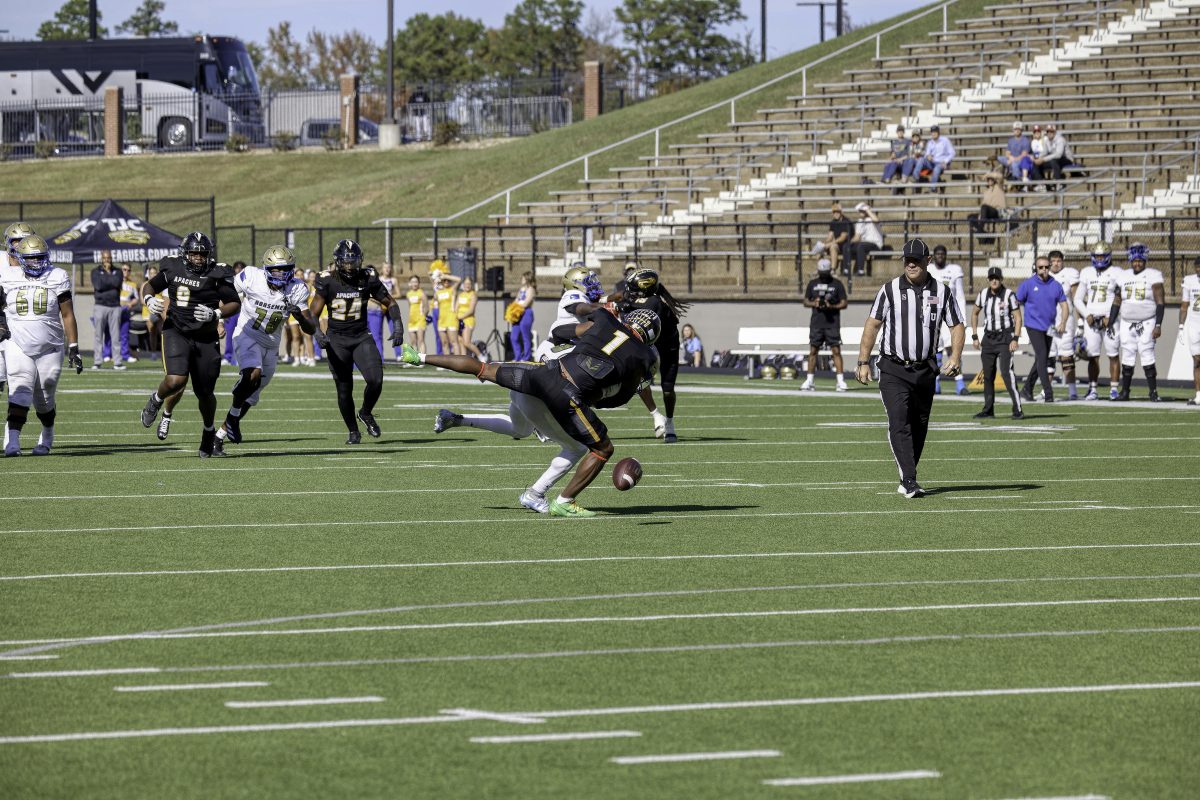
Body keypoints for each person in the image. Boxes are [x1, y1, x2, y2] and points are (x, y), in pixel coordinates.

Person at [402, 306, 660, 517]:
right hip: (567, 394)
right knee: (600, 449)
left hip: (543, 373)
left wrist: (600, 310)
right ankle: (562, 500)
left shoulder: (605, 319)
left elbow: (568, 322)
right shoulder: (644, 356)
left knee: (483, 368)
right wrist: (597, 396)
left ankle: (419, 357)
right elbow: (618, 399)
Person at [855, 238, 964, 498]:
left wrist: (956, 356)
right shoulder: (889, 290)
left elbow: (957, 325)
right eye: (908, 260)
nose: (911, 264)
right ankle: (909, 479)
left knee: (919, 425)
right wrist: (863, 361)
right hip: (893, 367)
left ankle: (907, 475)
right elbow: (873, 324)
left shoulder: (942, 291)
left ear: (928, 261)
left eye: (917, 260)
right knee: (899, 421)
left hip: (925, 369)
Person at [138, 232, 240, 457]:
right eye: (193, 253)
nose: (198, 258)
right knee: (176, 380)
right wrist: (148, 299)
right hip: (177, 331)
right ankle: (156, 400)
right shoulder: (173, 267)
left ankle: (208, 431)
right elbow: (149, 286)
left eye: (202, 254)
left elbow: (234, 302)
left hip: (206, 337)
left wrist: (216, 313)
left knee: (205, 393)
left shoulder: (216, 273)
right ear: (185, 253)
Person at [213, 246, 317, 453]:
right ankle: (235, 411)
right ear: (267, 269)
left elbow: (310, 328)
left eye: (285, 269)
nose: (281, 274)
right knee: (253, 373)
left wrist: (299, 316)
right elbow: (225, 295)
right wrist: (219, 320)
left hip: (271, 344)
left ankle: (220, 434)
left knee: (252, 395)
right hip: (247, 334)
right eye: (277, 269)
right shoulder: (251, 276)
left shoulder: (297, 288)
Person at [309, 239, 404, 444]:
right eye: (346, 262)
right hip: (337, 340)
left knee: (376, 379)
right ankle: (353, 431)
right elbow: (313, 313)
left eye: (353, 262)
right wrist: (317, 333)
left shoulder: (367, 277)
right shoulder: (327, 280)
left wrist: (398, 325)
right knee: (344, 389)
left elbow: (390, 302)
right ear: (338, 262)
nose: (350, 267)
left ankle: (366, 413)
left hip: (361, 336)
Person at [0, 235, 84, 456]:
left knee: (45, 398)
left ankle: (47, 433)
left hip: (50, 345)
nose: (36, 262)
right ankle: (12, 441)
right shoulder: (8, 276)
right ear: (20, 258)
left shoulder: (57, 276)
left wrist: (74, 346)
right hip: (17, 342)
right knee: (19, 390)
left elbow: (67, 313)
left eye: (40, 257)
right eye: (31, 258)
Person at [619, 267, 688, 443]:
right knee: (639, 380)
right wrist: (607, 301)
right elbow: (625, 299)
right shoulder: (642, 300)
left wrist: (620, 307)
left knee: (668, 390)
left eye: (634, 288)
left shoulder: (654, 302)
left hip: (667, 348)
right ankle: (657, 415)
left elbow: (640, 310)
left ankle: (670, 422)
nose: (630, 292)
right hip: (651, 346)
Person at [1111, 242, 1166, 402]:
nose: (1137, 263)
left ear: (1145, 260)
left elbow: (1160, 302)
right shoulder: (1123, 276)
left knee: (1147, 355)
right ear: (1130, 260)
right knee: (1127, 356)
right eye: (1135, 260)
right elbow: (1117, 300)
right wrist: (1111, 321)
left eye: (1140, 260)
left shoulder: (1153, 275)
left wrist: (1158, 325)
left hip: (1147, 321)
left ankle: (1153, 392)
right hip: (1127, 322)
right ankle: (1125, 392)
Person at [970, 267, 1024, 420]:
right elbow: (974, 313)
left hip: (1005, 337)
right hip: (988, 338)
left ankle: (1017, 409)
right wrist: (975, 335)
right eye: (992, 278)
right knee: (988, 375)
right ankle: (988, 410)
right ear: (988, 280)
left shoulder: (1009, 295)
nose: (994, 281)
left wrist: (1015, 338)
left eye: (997, 278)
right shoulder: (983, 294)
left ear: (1001, 279)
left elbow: (1018, 317)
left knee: (1007, 373)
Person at [1073, 242, 1124, 400]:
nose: (1099, 259)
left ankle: (1114, 389)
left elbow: (1122, 297)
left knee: (1113, 354)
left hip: (1110, 320)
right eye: (1097, 256)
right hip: (1092, 320)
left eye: (1102, 256)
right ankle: (1093, 389)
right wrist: (1087, 314)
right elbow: (1077, 299)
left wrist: (1111, 317)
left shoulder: (1117, 272)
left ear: (1108, 256)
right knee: (1092, 356)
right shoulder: (1087, 272)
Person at [1017, 255, 1070, 403]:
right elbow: (1016, 302)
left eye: (1047, 267)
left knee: (1042, 358)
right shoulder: (1028, 284)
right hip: (1033, 325)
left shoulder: (1056, 285)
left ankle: (1027, 389)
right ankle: (1048, 392)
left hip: (1049, 327)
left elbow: (1064, 305)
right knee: (1042, 356)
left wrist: (1063, 322)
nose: (1044, 270)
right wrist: (1015, 321)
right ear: (1036, 268)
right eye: (1041, 267)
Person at [2, 222, 39, 400]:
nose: (21, 245)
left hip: (23, 334)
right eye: (17, 241)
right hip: (2, 331)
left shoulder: (37, 266)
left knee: (19, 386)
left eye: (26, 240)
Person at [926, 244, 968, 396]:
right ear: (933, 256)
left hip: (950, 316)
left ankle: (960, 384)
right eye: (937, 254)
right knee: (935, 351)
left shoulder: (954, 270)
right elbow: (925, 295)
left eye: (942, 254)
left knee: (954, 350)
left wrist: (963, 319)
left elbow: (960, 296)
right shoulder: (928, 270)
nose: (940, 256)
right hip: (934, 316)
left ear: (945, 255)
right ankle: (935, 383)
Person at [801, 257, 848, 391]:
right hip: (817, 323)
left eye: (825, 273)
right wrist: (814, 303)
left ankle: (840, 381)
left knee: (836, 351)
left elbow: (844, 303)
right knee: (813, 351)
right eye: (821, 273)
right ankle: (809, 381)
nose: (823, 276)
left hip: (832, 323)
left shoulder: (837, 284)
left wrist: (831, 306)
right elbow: (805, 301)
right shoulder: (813, 283)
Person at [1044, 249, 1081, 400]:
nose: (1056, 264)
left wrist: (1080, 321)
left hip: (1066, 320)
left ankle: (1072, 391)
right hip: (1048, 321)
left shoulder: (1069, 274)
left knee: (1066, 355)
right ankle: (1046, 390)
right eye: (1053, 261)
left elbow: (1077, 299)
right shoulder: (1043, 275)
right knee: (1049, 356)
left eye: (1058, 261)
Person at [90, 250, 125, 370]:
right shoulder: (95, 271)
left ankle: (117, 362)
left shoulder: (118, 271)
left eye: (108, 258)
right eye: (105, 258)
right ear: (101, 259)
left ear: (111, 258)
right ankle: (97, 361)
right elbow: (98, 285)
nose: (107, 260)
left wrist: (107, 276)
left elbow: (117, 283)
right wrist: (110, 280)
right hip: (100, 306)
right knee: (98, 335)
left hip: (115, 306)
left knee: (116, 336)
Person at [1180, 256, 1200, 406]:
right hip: (1194, 325)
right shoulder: (1189, 280)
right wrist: (1181, 326)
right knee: (1197, 361)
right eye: (1197, 267)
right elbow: (1184, 305)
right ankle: (1199, 395)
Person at [812, 204, 853, 273]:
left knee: (833, 247)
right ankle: (820, 269)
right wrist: (824, 243)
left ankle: (833, 269)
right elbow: (830, 236)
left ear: (841, 212)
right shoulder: (833, 222)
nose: (836, 213)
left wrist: (830, 243)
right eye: (834, 212)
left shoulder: (846, 221)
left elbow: (843, 238)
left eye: (837, 212)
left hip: (845, 245)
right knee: (820, 247)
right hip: (836, 243)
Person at [968, 172, 1007, 245]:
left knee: (984, 207)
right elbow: (984, 205)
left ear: (994, 180)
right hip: (987, 212)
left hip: (997, 211)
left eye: (991, 179)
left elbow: (1000, 176)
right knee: (970, 217)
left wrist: (986, 175)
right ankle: (984, 234)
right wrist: (980, 215)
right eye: (988, 179)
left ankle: (979, 231)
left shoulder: (999, 186)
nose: (990, 180)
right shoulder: (986, 192)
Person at [1033, 123, 1073, 191]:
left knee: (1053, 160)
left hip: (1066, 159)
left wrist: (1043, 159)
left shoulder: (1060, 139)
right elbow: (1045, 152)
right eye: (1048, 131)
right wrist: (1039, 158)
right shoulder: (1047, 140)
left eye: (1051, 131)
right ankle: (1041, 184)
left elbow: (1058, 154)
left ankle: (1058, 183)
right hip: (1054, 159)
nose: (1049, 133)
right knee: (1036, 163)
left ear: (1054, 132)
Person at [849, 203, 884, 277]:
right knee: (846, 246)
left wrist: (867, 209)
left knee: (861, 246)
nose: (861, 212)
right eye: (860, 211)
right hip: (864, 244)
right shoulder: (860, 221)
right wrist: (850, 242)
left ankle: (861, 271)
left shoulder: (872, 219)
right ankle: (846, 271)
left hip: (875, 244)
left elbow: (876, 220)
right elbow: (857, 237)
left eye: (862, 210)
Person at [432, 270, 462, 356]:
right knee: (444, 343)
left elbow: (459, 280)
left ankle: (458, 362)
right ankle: (447, 362)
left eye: (448, 281)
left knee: (454, 342)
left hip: (451, 319)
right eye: (444, 281)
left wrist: (445, 276)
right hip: (442, 320)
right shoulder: (438, 292)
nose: (446, 282)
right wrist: (437, 279)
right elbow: (433, 285)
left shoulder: (452, 289)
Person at [510, 271, 536, 361]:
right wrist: (511, 310)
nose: (521, 279)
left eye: (523, 278)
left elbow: (526, 303)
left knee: (525, 336)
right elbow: (516, 301)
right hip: (517, 314)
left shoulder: (531, 289)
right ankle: (517, 356)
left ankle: (526, 357)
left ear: (527, 279)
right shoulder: (521, 289)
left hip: (526, 313)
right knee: (514, 337)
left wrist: (516, 307)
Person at [223, 261, 245, 366]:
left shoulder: (247, 281)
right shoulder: (230, 280)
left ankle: (239, 358)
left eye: (241, 268)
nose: (239, 269)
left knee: (243, 336)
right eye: (237, 267)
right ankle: (228, 357)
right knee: (230, 335)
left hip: (243, 312)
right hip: (232, 313)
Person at [378, 263, 402, 361]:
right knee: (378, 332)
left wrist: (388, 297)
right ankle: (380, 355)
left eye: (389, 267)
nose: (387, 269)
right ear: (382, 269)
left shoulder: (393, 280)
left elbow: (399, 294)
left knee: (395, 330)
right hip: (380, 307)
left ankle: (398, 354)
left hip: (390, 307)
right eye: (385, 267)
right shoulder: (378, 279)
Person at [455, 277, 483, 360]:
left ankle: (481, 356)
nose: (467, 285)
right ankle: (464, 360)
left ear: (472, 285)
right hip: (459, 321)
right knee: (460, 341)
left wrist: (461, 317)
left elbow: (471, 310)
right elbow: (456, 307)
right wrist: (455, 316)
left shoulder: (473, 295)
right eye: (466, 283)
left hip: (468, 320)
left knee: (466, 342)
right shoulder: (460, 295)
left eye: (469, 284)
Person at [998, 122, 1033, 186]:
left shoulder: (1026, 140)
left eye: (1018, 129)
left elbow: (1024, 154)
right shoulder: (1010, 140)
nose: (1017, 131)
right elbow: (1007, 152)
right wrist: (1010, 157)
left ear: (1021, 130)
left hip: (1021, 160)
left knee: (1014, 164)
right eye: (1015, 129)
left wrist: (1013, 159)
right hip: (1011, 159)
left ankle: (1016, 181)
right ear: (1013, 130)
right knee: (999, 158)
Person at [405, 274, 428, 355]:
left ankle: (422, 359)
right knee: (413, 341)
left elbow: (426, 307)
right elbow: (410, 306)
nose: (414, 284)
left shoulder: (421, 293)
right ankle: (414, 359)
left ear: (418, 283)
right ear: (410, 283)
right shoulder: (408, 294)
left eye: (416, 282)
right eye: (412, 282)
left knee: (420, 340)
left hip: (420, 320)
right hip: (412, 321)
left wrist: (423, 316)